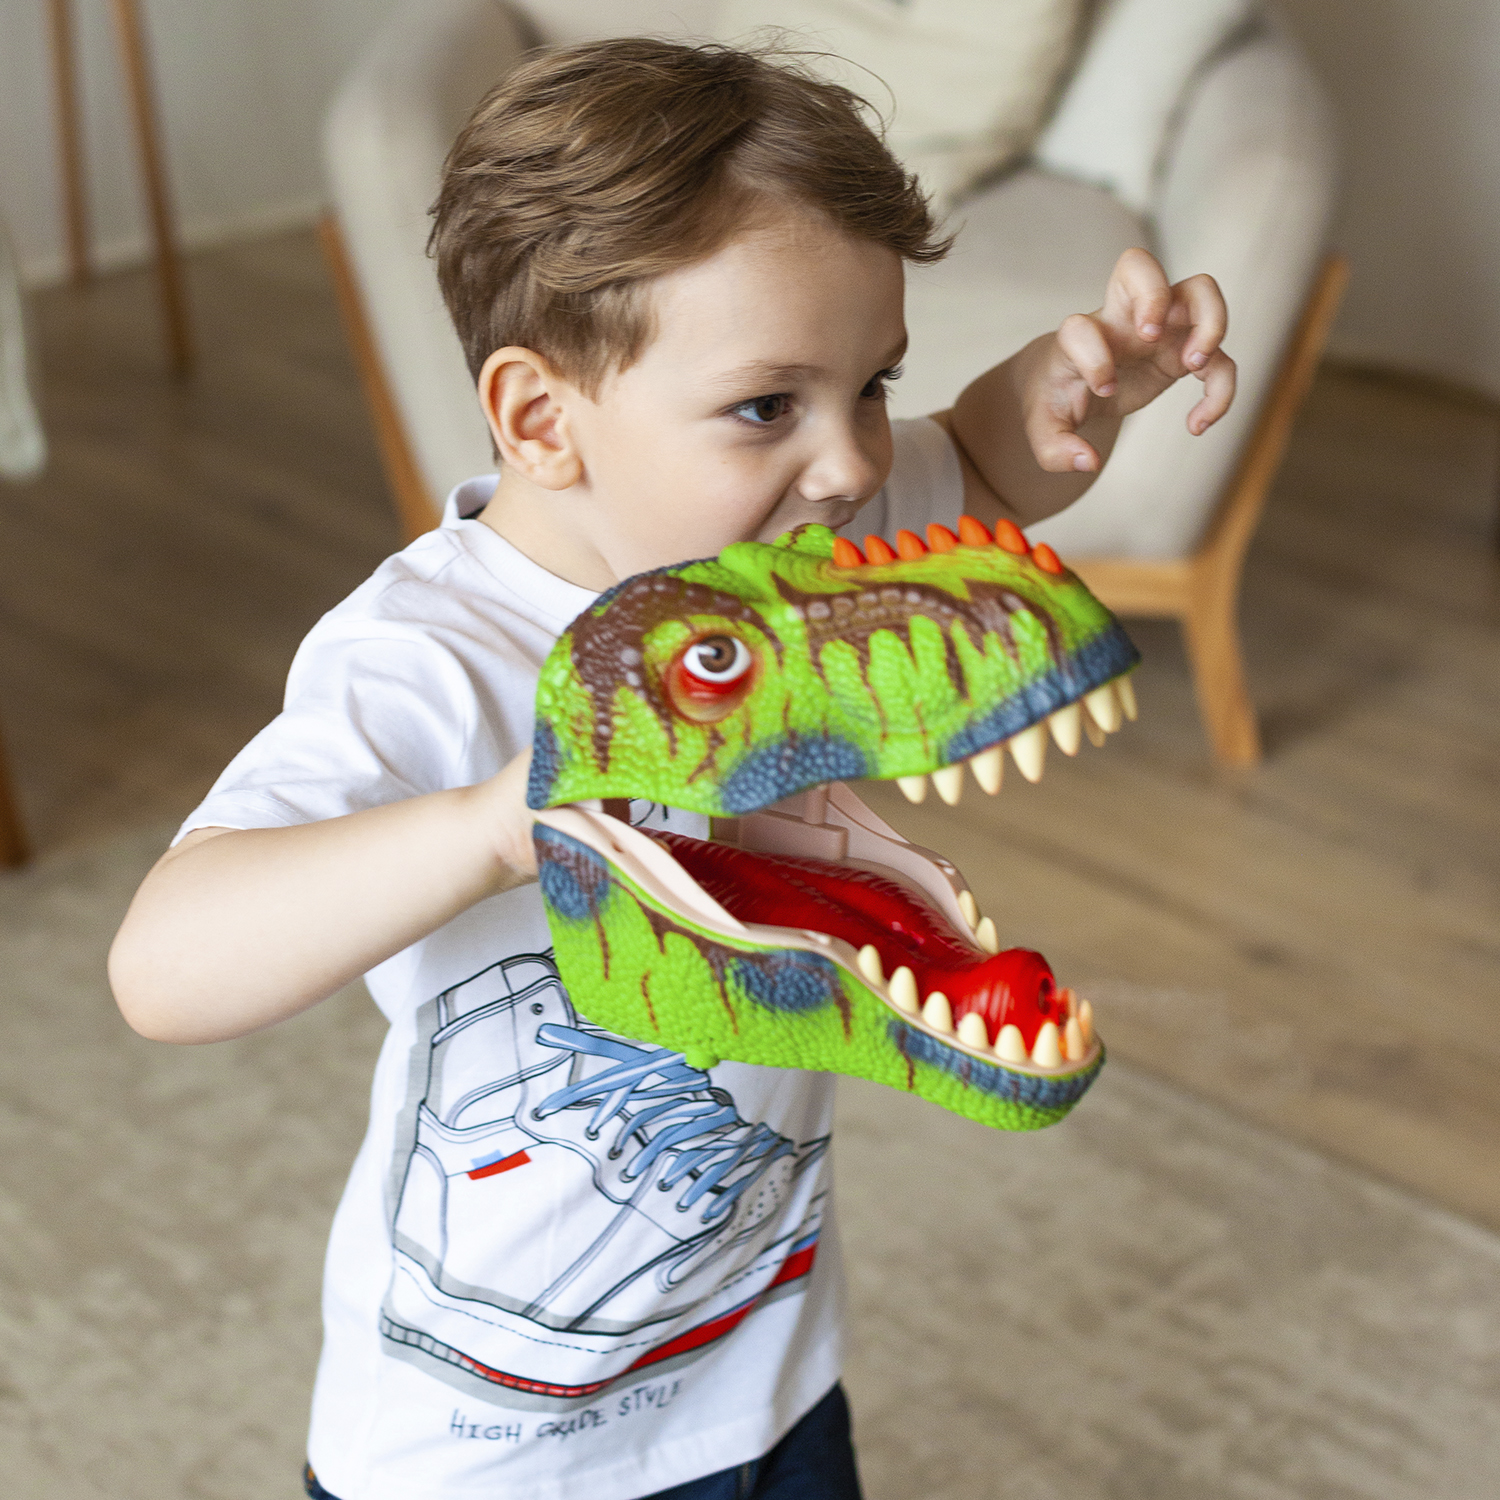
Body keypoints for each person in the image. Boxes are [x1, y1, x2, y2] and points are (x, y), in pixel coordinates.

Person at [108, 37, 1235, 1500]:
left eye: (871, 385)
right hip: (476, 1454)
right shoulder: (427, 657)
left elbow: (978, 463)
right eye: (771, 406)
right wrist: (494, 821)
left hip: (757, 1371)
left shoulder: (790, 540)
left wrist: (1084, 391)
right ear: (538, 420)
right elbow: (165, 968)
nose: (846, 467)